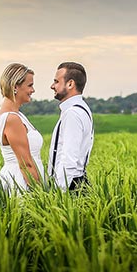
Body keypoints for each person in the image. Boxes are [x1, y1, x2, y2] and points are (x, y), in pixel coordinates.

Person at [0, 63, 45, 196]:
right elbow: (26, 164)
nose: (33, 90)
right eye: (30, 85)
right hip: (21, 183)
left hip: (23, 179)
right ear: (15, 86)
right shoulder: (12, 119)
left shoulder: (16, 114)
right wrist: (41, 196)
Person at [48, 62, 94, 193]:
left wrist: (59, 193)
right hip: (75, 182)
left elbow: (69, 159)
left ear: (70, 84)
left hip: (70, 187)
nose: (52, 86)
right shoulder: (80, 108)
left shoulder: (72, 114)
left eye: (56, 81)